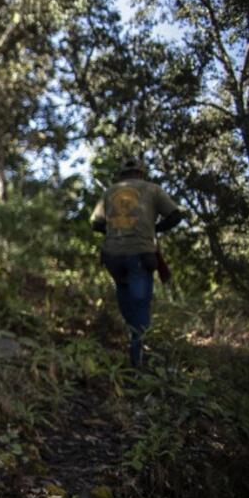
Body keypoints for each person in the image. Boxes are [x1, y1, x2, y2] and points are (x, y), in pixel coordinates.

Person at [90, 157, 185, 367]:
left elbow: (95, 224)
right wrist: (154, 228)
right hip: (140, 254)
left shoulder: (109, 192)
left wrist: (116, 231)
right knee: (140, 306)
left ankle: (133, 347)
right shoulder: (153, 189)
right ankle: (138, 361)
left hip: (113, 256)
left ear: (121, 175)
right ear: (142, 173)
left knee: (126, 300)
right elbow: (176, 216)